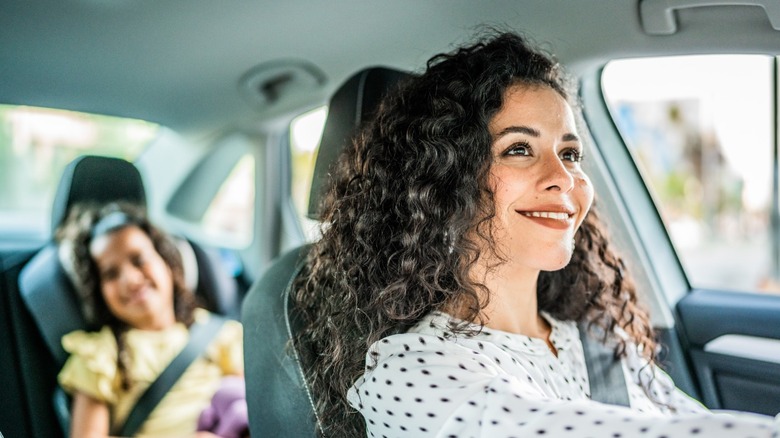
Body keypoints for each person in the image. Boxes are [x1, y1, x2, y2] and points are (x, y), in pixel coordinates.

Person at [292, 31, 780, 437]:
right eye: (519, 149)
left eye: (569, 153)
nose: (563, 178)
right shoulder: (411, 371)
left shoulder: (597, 343)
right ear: (443, 182)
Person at [56, 202, 247, 438]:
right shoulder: (101, 354)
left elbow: (250, 409)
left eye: (138, 260)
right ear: (99, 293)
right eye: (111, 274)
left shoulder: (219, 334)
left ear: (167, 262)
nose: (131, 279)